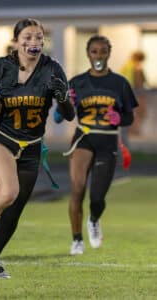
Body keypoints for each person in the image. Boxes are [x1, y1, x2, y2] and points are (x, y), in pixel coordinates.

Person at [0, 18, 75, 277]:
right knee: (8, 191)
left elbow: (69, 114)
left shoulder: (53, 69)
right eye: (28, 37)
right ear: (16, 41)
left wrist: (62, 96)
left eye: (39, 37)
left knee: (15, 210)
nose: (34, 42)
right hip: (0, 139)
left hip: (31, 147)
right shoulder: (1, 67)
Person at [54, 35, 138, 255]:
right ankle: (77, 240)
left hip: (108, 141)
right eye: (94, 51)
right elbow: (57, 118)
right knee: (77, 189)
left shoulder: (119, 83)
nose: (98, 55)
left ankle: (93, 219)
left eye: (102, 51)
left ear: (108, 53)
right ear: (88, 54)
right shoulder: (77, 82)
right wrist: (67, 104)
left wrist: (119, 119)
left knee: (97, 197)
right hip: (84, 139)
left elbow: (129, 118)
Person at [120, 51, 147, 136]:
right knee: (138, 112)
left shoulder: (126, 65)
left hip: (126, 93)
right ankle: (134, 131)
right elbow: (139, 82)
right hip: (135, 93)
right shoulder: (136, 67)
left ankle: (131, 131)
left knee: (132, 112)